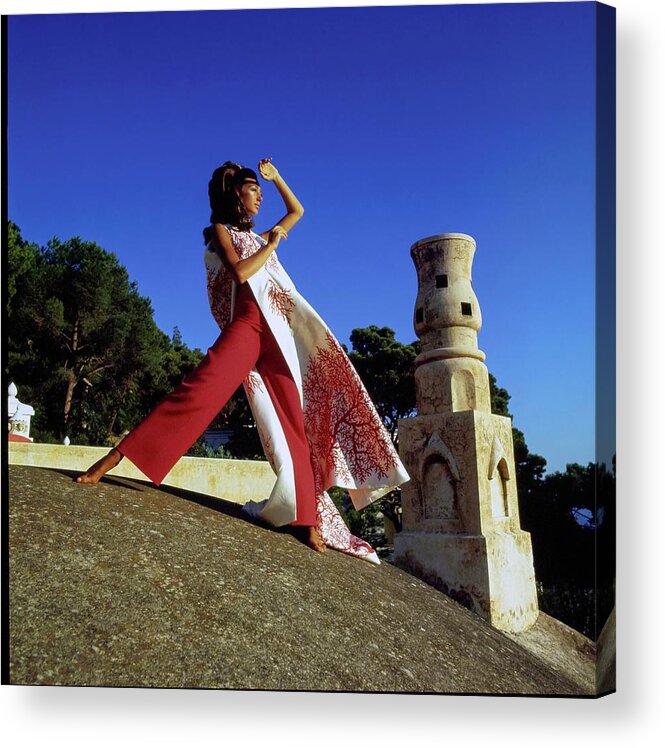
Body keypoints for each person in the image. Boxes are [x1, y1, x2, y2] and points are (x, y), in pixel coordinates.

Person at [77, 158, 410, 562]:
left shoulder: (263, 232)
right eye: (254, 189)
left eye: (260, 191)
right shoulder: (224, 232)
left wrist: (277, 177)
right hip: (248, 330)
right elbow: (239, 274)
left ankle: (308, 521)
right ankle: (112, 460)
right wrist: (270, 246)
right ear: (236, 193)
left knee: (296, 426)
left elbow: (298, 211)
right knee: (197, 391)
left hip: (279, 337)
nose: (260, 196)